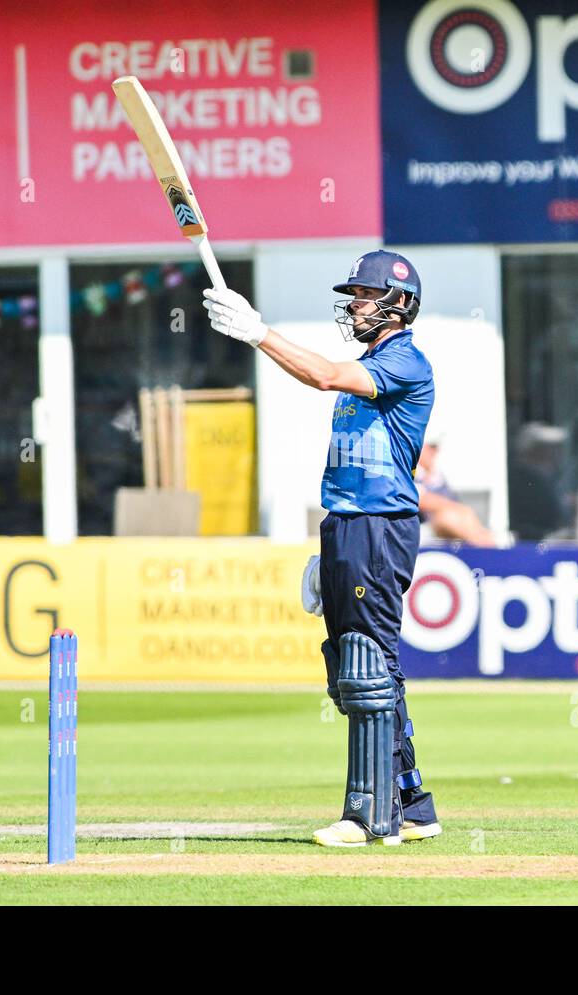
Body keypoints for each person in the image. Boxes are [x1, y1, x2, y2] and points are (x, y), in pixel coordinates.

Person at [203, 250, 440, 847]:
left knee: (367, 665)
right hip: (350, 526)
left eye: (365, 294)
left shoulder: (405, 360)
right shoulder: (373, 362)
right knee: (357, 667)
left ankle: (368, 816)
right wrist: (332, 543)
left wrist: (257, 332)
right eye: (354, 293)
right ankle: (413, 805)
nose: (354, 304)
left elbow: (323, 375)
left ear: (399, 303)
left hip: (378, 526)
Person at [415, 434, 496, 547]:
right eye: (431, 447)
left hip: (449, 526)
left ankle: (484, 544)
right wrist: (459, 509)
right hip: (422, 527)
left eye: (436, 448)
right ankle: (483, 545)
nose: (435, 452)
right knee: (448, 517)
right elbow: (422, 501)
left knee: (459, 517)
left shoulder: (437, 476)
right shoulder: (411, 473)